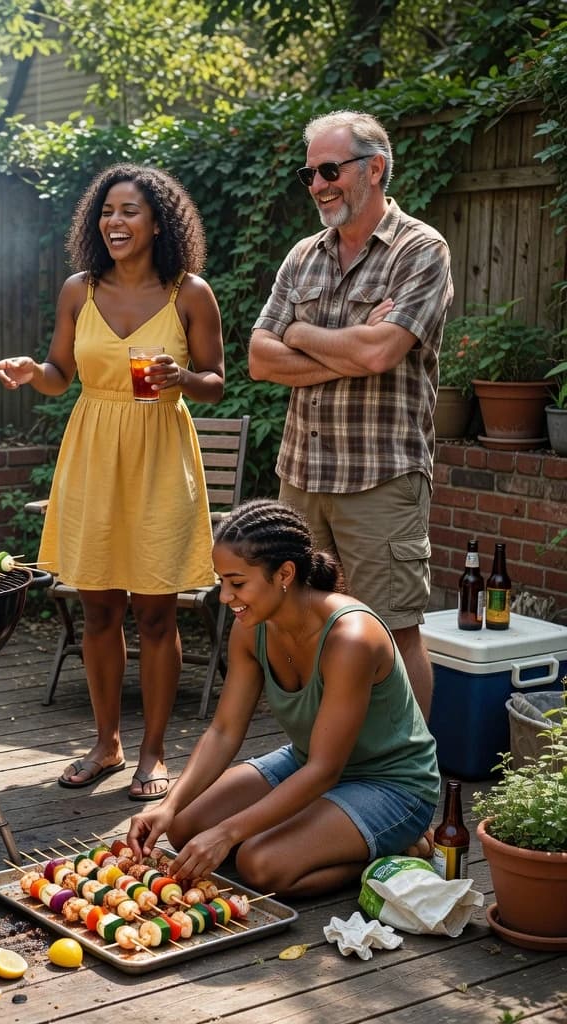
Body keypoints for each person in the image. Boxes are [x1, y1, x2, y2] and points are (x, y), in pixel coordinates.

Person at [0, 164, 224, 800]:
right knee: (97, 609)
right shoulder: (78, 290)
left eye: (130, 211)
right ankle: (107, 743)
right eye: (107, 211)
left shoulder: (189, 294)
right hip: (92, 450)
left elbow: (216, 379)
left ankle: (153, 753)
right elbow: (62, 374)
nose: (114, 222)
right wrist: (31, 370)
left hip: (158, 452)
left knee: (154, 614)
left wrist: (182, 379)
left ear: (159, 222)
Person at [247, 109, 454, 720]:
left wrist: (304, 331)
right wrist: (351, 344)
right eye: (309, 174)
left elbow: (383, 350)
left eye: (330, 169)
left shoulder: (421, 250)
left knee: (392, 632)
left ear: (376, 168)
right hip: (301, 475)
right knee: (302, 624)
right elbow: (260, 358)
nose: (318, 185)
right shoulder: (303, 255)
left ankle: (409, 781)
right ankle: (323, 761)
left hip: (380, 479)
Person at [127, 498, 440, 897]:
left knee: (260, 864)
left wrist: (229, 832)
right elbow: (224, 731)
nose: (225, 596)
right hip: (308, 762)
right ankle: (318, 829)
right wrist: (166, 806)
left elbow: (325, 769)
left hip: (391, 785)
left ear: (285, 574)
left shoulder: (350, 638)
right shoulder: (252, 626)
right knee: (184, 825)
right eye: (221, 582)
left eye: (237, 583)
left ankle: (390, 849)